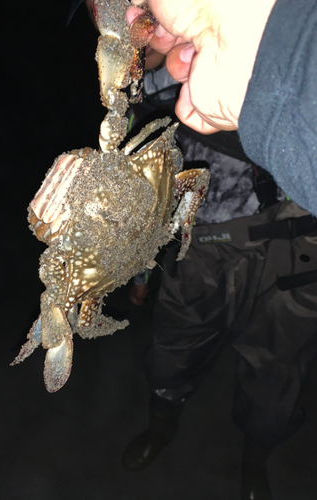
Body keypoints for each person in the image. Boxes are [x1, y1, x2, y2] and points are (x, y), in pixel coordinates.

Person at [121, 48, 317, 500]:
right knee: (174, 346)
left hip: (301, 251)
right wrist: (140, 269)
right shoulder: (173, 64)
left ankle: (255, 464)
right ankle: (160, 426)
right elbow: (141, 176)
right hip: (203, 240)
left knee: (277, 371)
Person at [127, 0, 317, 218]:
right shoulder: (131, 118)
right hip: (203, 247)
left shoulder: (227, 35)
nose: (131, 16)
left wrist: (273, 50)